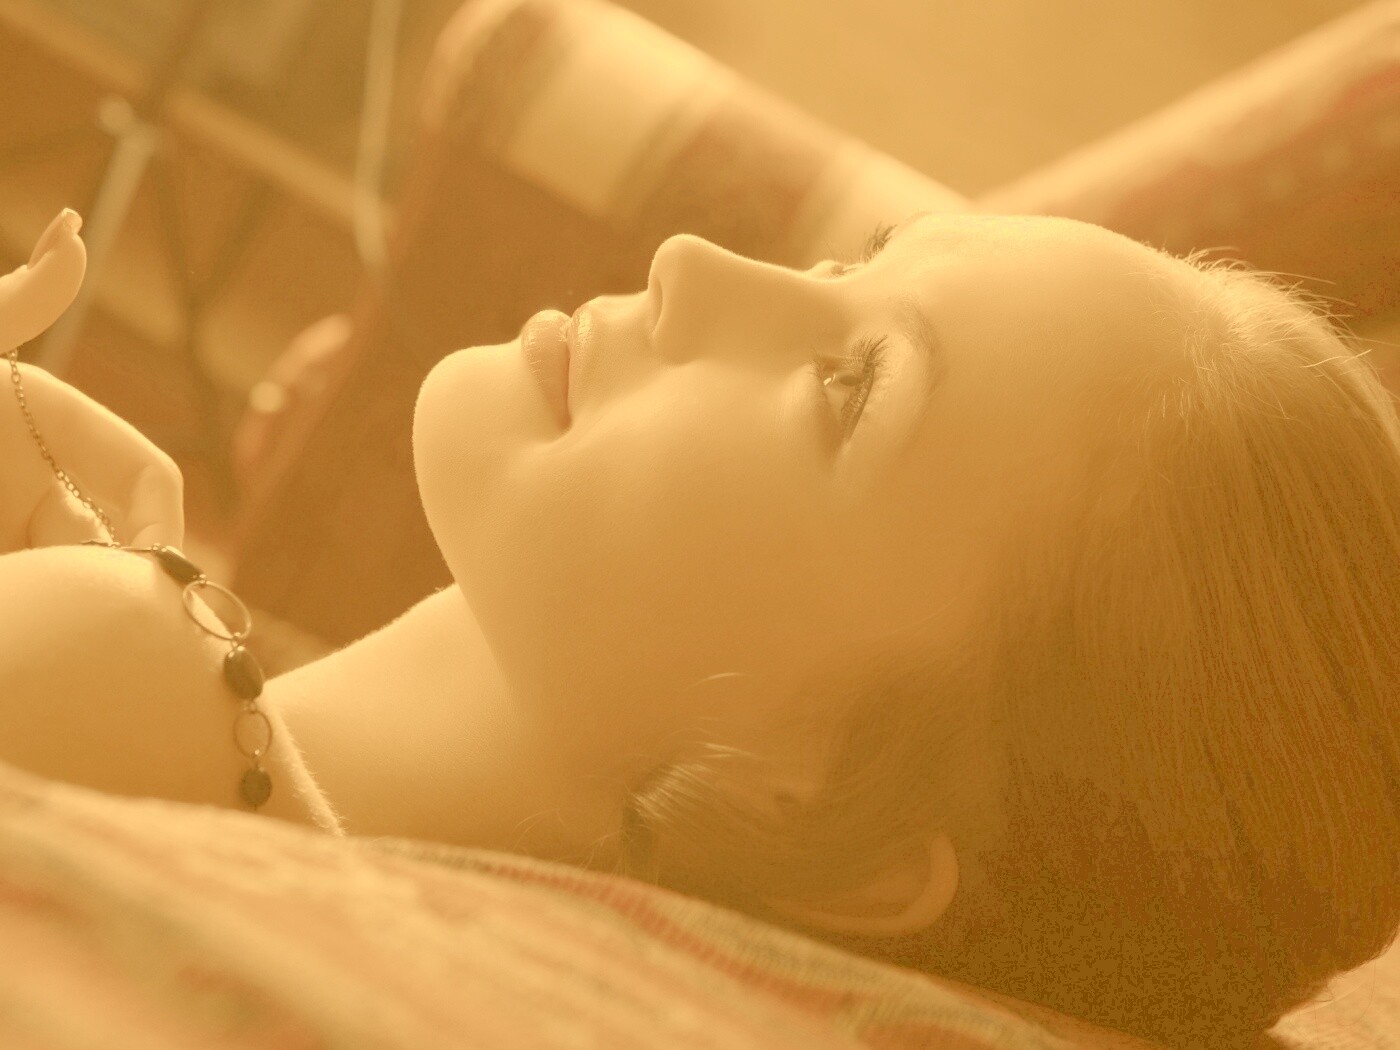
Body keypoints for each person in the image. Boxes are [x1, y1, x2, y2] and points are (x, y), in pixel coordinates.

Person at [2, 207, 1397, 1050]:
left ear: (834, 803)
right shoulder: (128, 681)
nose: (691, 263)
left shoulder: (113, 665)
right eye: (853, 257)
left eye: (849, 389)